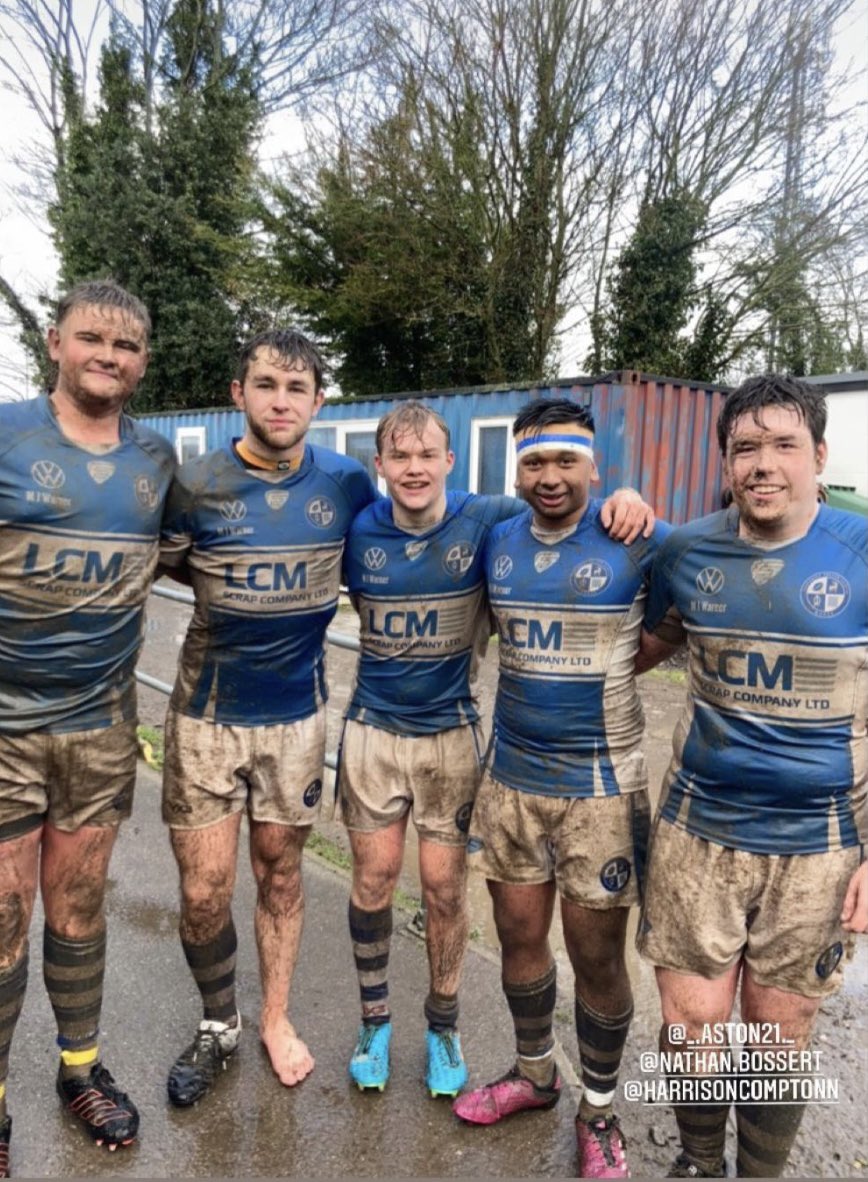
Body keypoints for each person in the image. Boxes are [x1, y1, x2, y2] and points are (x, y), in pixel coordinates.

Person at [339, 398, 655, 1111]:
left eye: (429, 456)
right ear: (379, 465)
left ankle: (453, 1035)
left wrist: (627, 496)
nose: (414, 468)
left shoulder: (492, 521)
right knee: (378, 885)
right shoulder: (365, 525)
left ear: (452, 463)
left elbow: (580, 521)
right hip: (388, 736)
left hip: (470, 740)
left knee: (458, 895)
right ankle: (381, 1029)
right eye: (400, 456)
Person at [635, 374, 867, 1178]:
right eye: (744, 448)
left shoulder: (862, 552)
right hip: (699, 834)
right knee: (692, 1026)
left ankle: (757, 1174)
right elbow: (637, 647)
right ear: (725, 463)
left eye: (782, 445)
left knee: (778, 1033)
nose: (763, 464)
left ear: (820, 456)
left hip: (821, 847)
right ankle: (699, 1163)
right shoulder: (687, 550)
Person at [159, 329, 377, 1107]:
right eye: (266, 385)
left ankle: (275, 1017)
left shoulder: (348, 484)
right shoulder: (196, 484)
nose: (280, 401)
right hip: (205, 717)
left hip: (295, 721)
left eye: (296, 388)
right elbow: (171, 561)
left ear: (318, 401)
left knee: (280, 873)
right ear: (237, 394)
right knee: (203, 891)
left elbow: (426, 524)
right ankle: (220, 1023)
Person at [453, 398, 670, 1179]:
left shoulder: (639, 538)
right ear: (518, 466)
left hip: (602, 790)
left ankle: (601, 1111)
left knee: (599, 959)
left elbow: (682, 615)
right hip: (511, 780)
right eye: (536, 462)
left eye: (566, 462)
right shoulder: (496, 536)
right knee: (517, 939)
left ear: (595, 466)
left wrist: (625, 663)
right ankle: (534, 1074)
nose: (550, 478)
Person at [0, 280, 174, 1176]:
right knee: (2, 915)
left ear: (143, 362)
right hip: (3, 729)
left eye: (128, 344)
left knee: (76, 906)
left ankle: (79, 1070)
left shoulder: (156, 461)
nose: (109, 354)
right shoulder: (7, 432)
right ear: (58, 343)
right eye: (93, 338)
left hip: (101, 728)